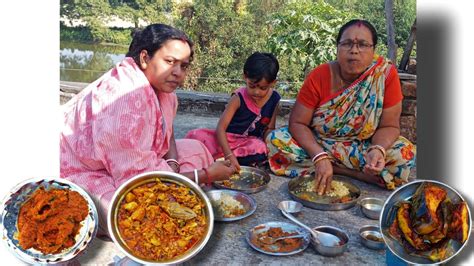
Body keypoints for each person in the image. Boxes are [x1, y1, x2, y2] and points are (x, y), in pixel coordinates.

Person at [60, 24, 236, 235]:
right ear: (145, 58)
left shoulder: (165, 90)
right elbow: (137, 181)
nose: (178, 73)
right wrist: (204, 175)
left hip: (128, 163)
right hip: (82, 171)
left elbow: (168, 131)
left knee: (196, 148)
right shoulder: (122, 100)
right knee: (138, 218)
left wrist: (172, 164)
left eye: (184, 66)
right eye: (170, 62)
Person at [266, 19, 416, 195]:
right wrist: (319, 156)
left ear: (373, 49)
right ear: (337, 48)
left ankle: (341, 168)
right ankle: (344, 171)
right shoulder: (319, 75)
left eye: (362, 44)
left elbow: (389, 126)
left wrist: (378, 150)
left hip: (362, 147)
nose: (354, 50)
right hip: (321, 142)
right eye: (347, 43)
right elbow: (297, 123)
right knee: (276, 140)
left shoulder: (383, 75)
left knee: (405, 152)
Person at [185, 52, 281, 171]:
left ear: (273, 83)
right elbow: (220, 128)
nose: (256, 92)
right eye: (252, 86)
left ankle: (219, 160)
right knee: (196, 137)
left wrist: (271, 147)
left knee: (261, 148)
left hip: (249, 144)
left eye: (263, 88)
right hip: (226, 140)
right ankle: (225, 158)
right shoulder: (238, 98)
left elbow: (270, 129)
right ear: (244, 77)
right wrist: (229, 155)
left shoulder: (274, 99)